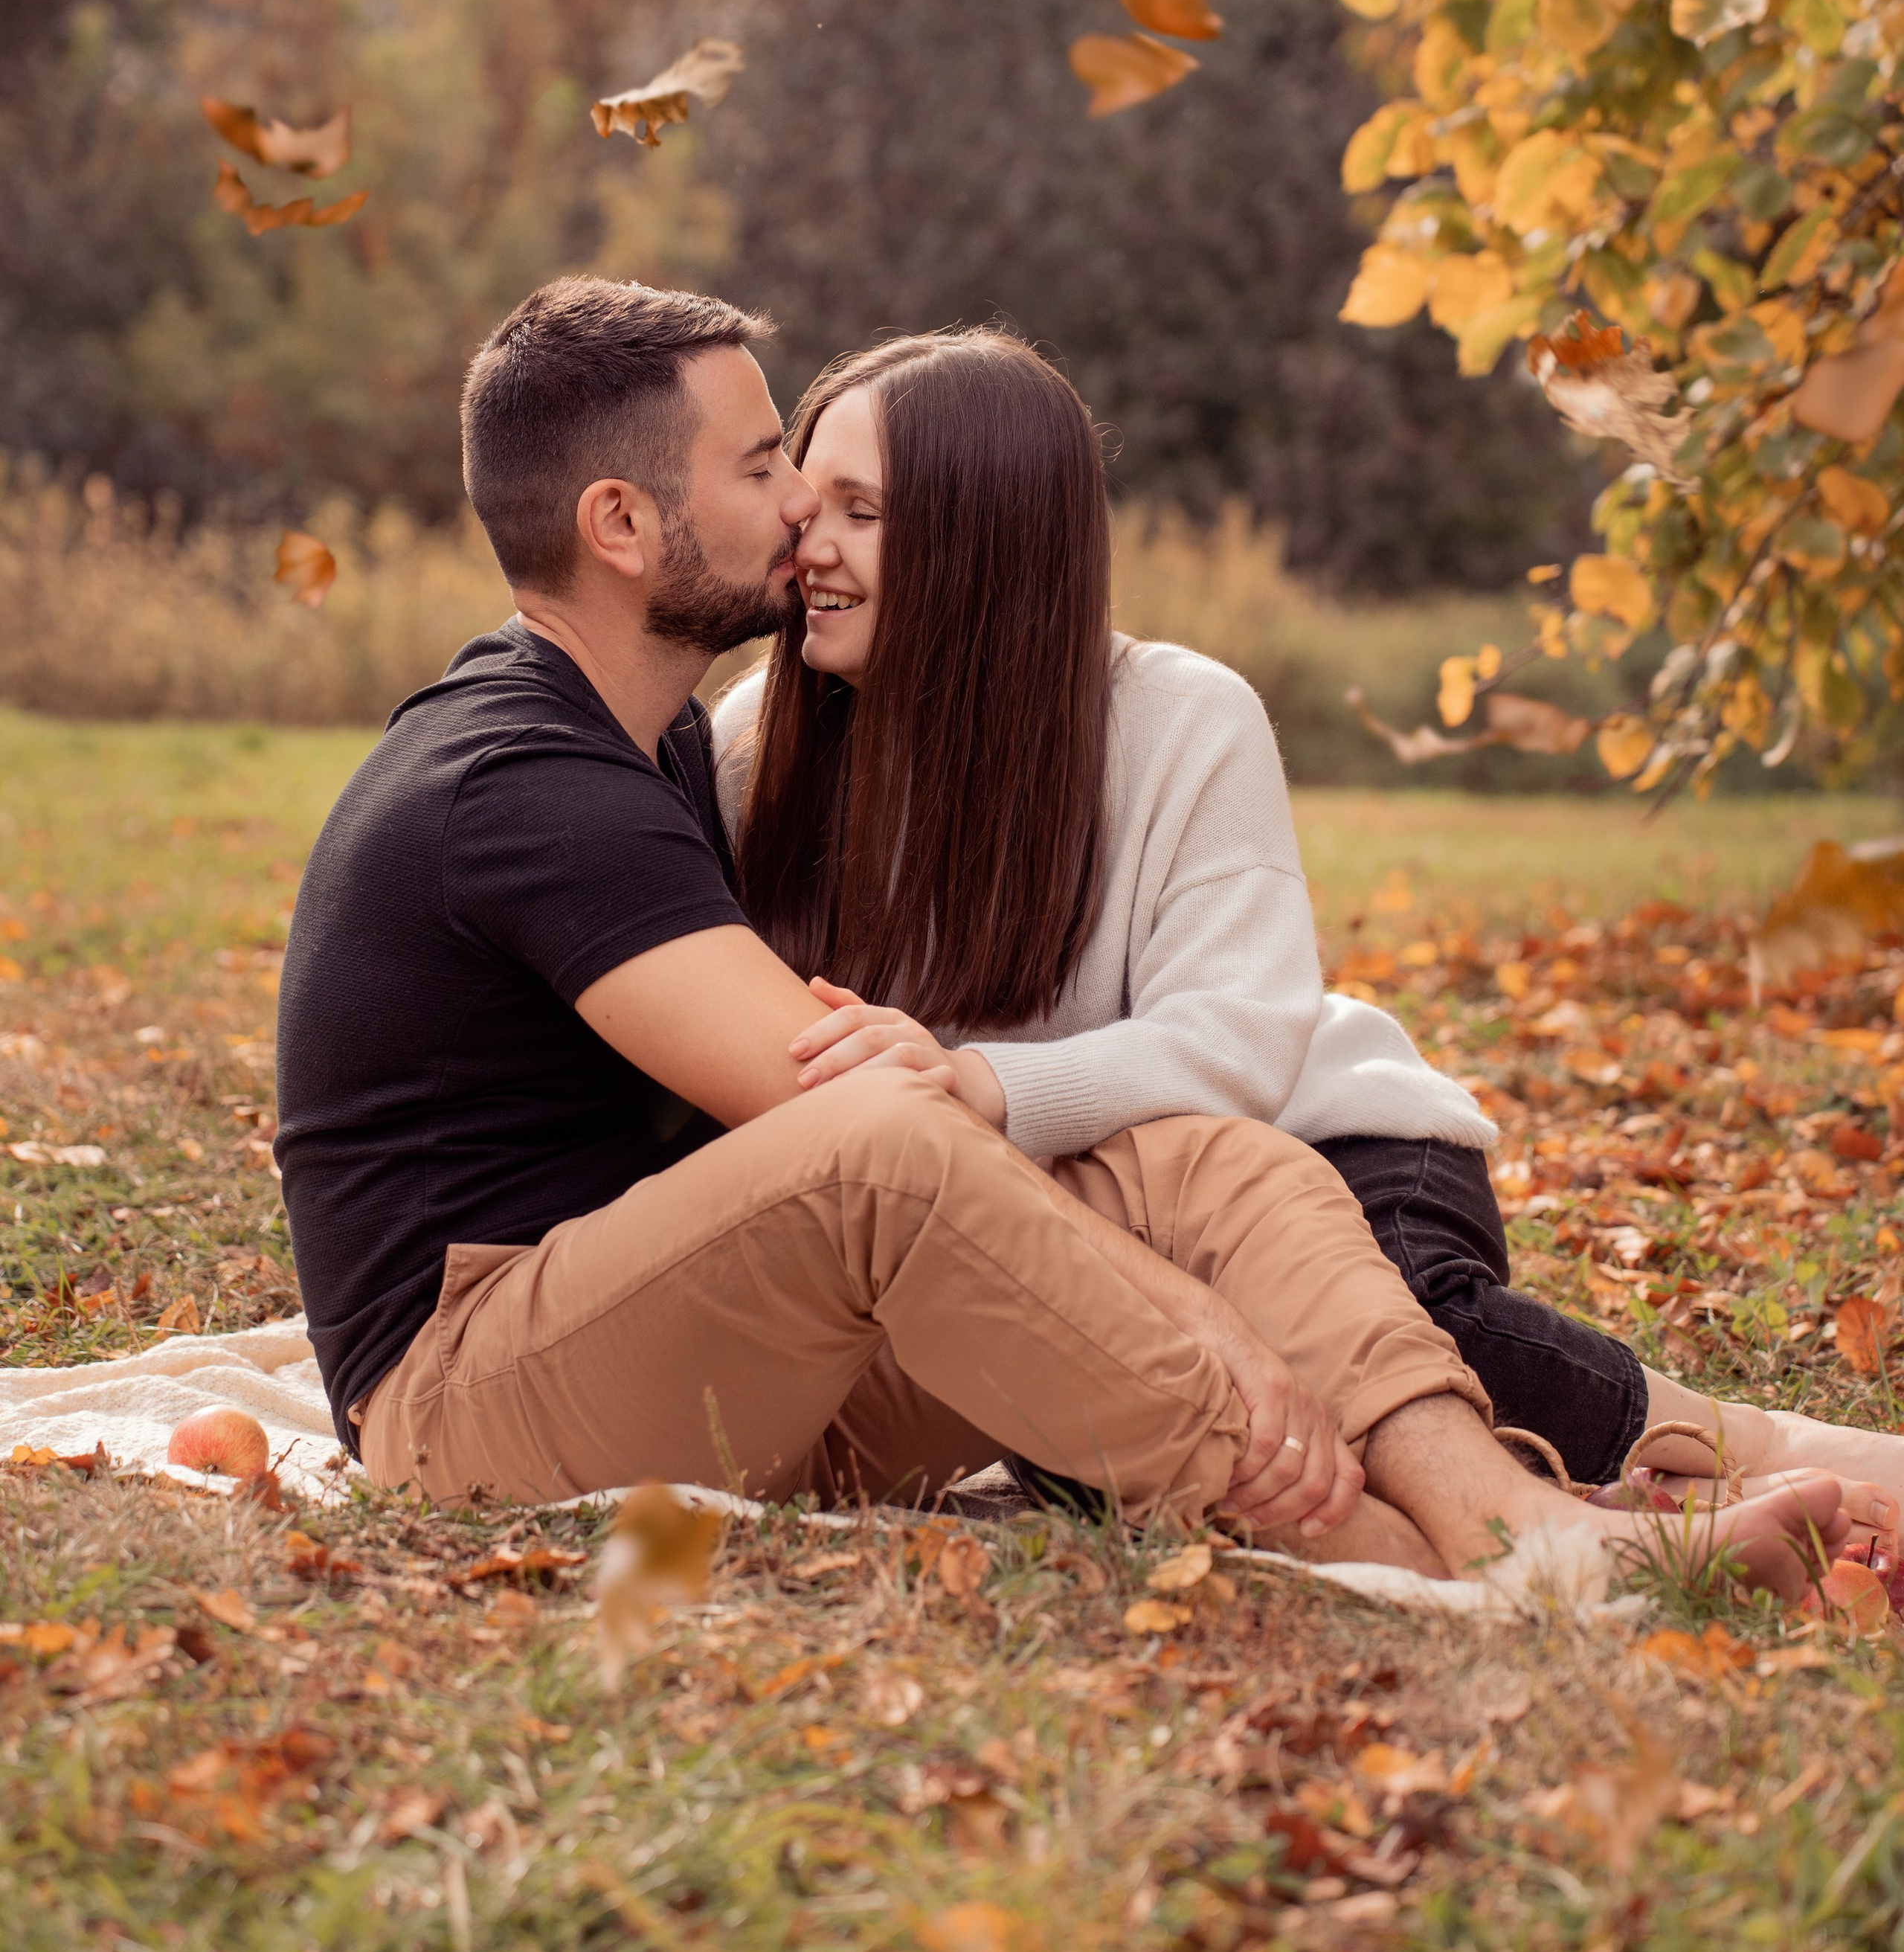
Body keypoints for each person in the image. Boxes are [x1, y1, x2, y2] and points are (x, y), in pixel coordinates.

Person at [269, 277, 1844, 1603]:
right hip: (471, 1397)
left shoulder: (666, 749)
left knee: (1202, 1166)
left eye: (832, 490)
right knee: (887, 1152)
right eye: (766, 471)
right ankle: (1448, 1575)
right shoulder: (529, 779)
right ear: (619, 522)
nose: (802, 511)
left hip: (703, 1350)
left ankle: (1528, 1527)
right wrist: (1204, 1333)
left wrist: (1113, 1199)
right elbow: (853, 1129)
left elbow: (1067, 1090)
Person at [713, 324, 1904, 1522]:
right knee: (1206, 1450)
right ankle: (1601, 1521)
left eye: (860, 514)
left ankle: (1748, 1447)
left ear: (988, 538)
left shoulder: (1178, 719)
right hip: (1070, 1216)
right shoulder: (757, 746)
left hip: (1316, 1145)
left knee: (1404, 1340)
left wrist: (980, 1085)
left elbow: (1232, 1040)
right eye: (812, 508)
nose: (807, 545)